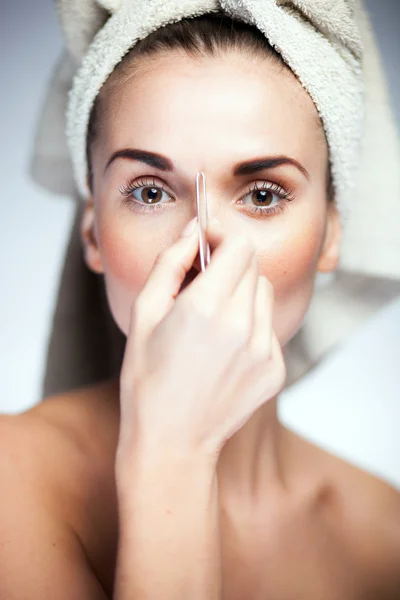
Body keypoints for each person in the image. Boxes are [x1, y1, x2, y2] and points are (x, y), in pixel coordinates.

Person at [1, 7, 400, 600]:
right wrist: (172, 458)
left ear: (332, 235)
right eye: (151, 192)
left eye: (263, 194)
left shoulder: (384, 537)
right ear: (93, 233)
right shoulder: (11, 481)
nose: (204, 253)